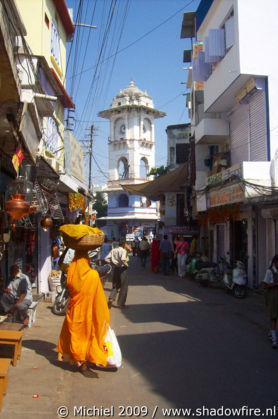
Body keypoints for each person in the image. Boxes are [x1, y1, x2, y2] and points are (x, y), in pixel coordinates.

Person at [57, 250, 111, 377]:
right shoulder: (93, 275)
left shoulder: (71, 272)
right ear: (87, 261)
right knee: (87, 335)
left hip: (75, 310)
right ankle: (83, 361)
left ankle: (79, 360)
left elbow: (60, 263)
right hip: (89, 311)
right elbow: (98, 296)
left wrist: (67, 249)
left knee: (76, 336)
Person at [105, 239, 129, 309]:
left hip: (115, 269)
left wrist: (112, 263)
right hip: (122, 269)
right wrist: (126, 265)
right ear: (124, 244)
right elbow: (123, 259)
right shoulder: (123, 250)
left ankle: (111, 299)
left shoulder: (114, 250)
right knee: (124, 286)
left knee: (115, 285)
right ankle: (121, 303)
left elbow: (106, 259)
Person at [263, 255, 278, 349]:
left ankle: (271, 332)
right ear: (275, 262)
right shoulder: (270, 272)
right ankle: (274, 339)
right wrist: (275, 284)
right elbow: (265, 285)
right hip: (272, 296)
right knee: (273, 317)